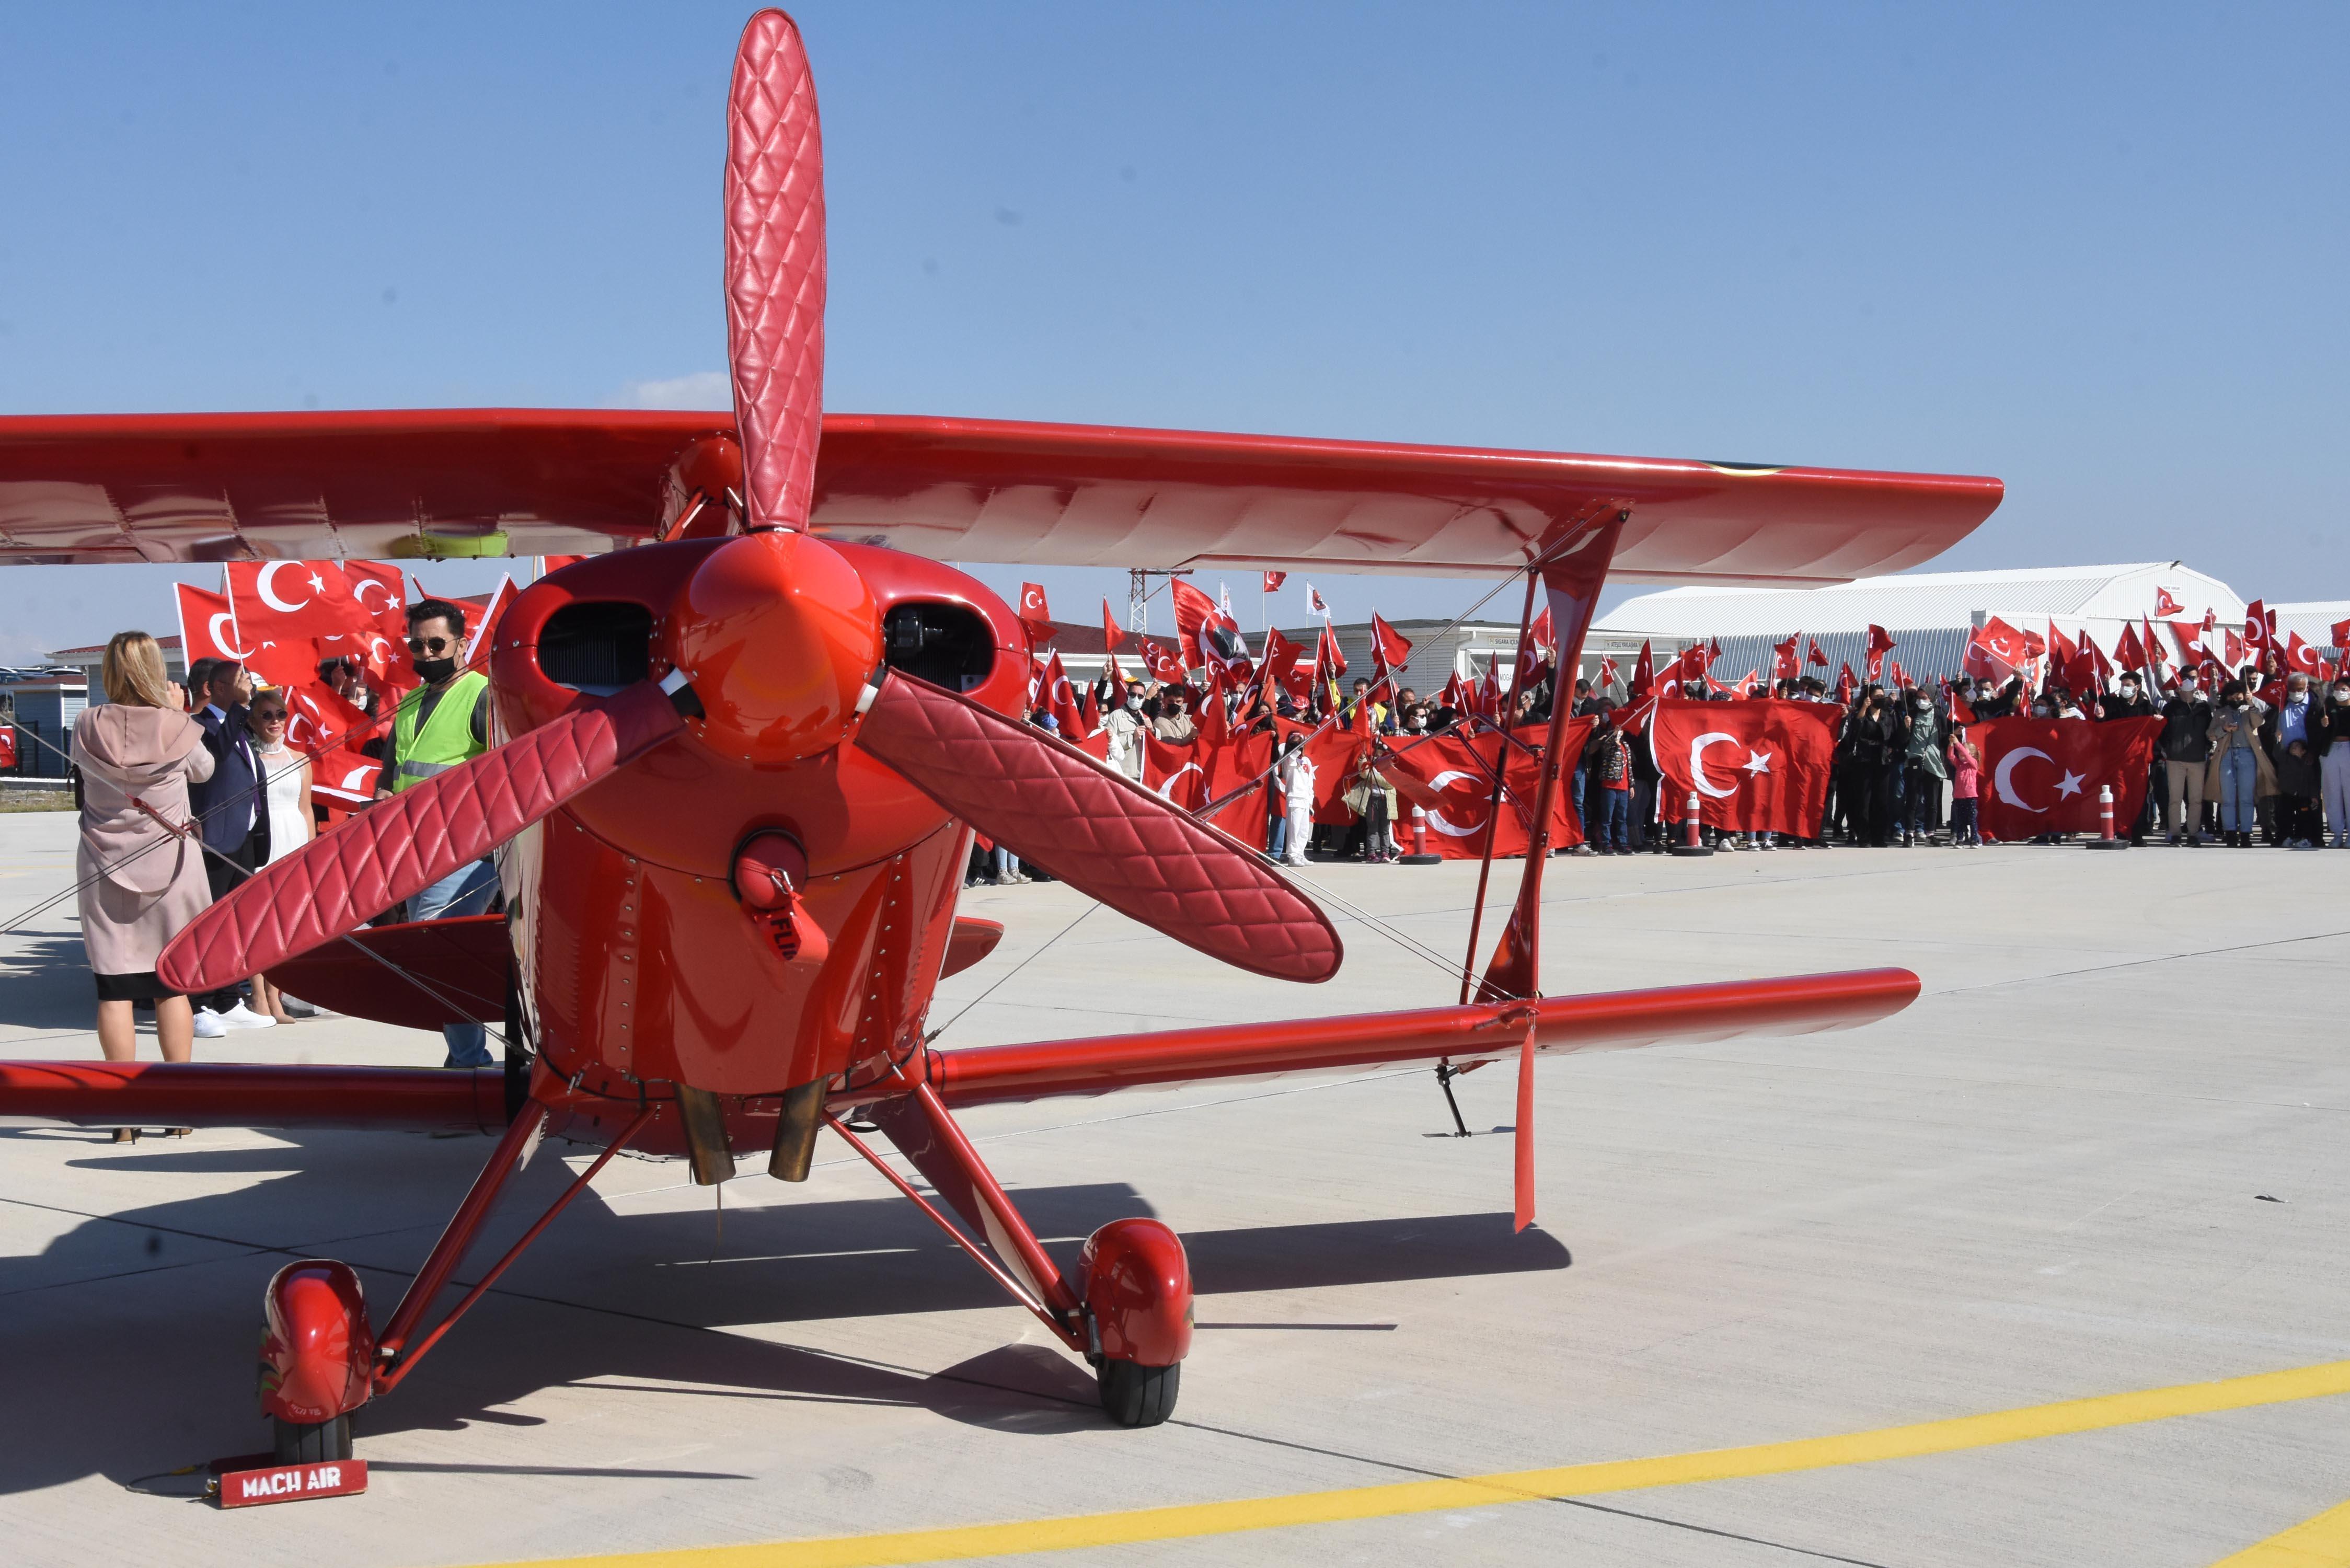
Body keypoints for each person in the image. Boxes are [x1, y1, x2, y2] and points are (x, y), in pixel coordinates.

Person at [72, 634, 214, 1121]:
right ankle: (178, 1107)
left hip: (103, 863)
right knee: (170, 985)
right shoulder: (178, 726)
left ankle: (124, 1112)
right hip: (172, 864)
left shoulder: (87, 723)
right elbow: (204, 770)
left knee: (114, 987)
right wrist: (180, 713)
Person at [377, 598, 498, 1066]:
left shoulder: (483, 696)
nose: (425, 653)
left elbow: (503, 778)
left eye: (435, 644)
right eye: (417, 644)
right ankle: (466, 1058)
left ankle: (468, 1062)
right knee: (439, 953)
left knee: (439, 947)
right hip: (412, 848)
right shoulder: (410, 700)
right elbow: (392, 773)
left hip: (463, 853)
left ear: (463, 645)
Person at [184, 657, 274, 1035]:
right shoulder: (196, 726)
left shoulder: (234, 726)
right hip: (214, 841)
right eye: (240, 681)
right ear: (214, 688)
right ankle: (195, 1004)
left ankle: (226, 998)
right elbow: (214, 760)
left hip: (243, 839)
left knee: (232, 926)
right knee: (203, 927)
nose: (248, 686)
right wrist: (240, 705)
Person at [246, 689, 316, 1022]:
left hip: (294, 841)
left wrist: (313, 852)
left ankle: (277, 996)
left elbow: (306, 810)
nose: (275, 721)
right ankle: (259, 996)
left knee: (286, 925)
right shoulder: (248, 758)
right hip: (263, 842)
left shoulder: (300, 759)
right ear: (252, 721)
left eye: (281, 714)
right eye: (267, 715)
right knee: (259, 924)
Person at [2205, 681, 2272, 848]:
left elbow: (2259, 722)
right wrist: (2224, 729)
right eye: (2232, 696)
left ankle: (2246, 834)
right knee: (2228, 798)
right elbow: (2210, 735)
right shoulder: (2220, 712)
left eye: (2239, 695)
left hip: (2247, 754)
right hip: (2226, 755)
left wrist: (2251, 702)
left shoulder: (2249, 711)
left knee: (2246, 797)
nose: (2235, 698)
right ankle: (2230, 833)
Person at [2263, 674, 2322, 848]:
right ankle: (2284, 835)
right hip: (2286, 758)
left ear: (2306, 688)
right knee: (2286, 799)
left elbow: (2320, 733)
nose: (2296, 693)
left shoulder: (2315, 706)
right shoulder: (2280, 704)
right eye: (2292, 689)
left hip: (2307, 758)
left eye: (2299, 689)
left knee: (2309, 799)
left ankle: (2313, 836)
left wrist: (2312, 752)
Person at [2099, 673, 2157, 846]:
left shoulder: (2146, 707)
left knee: (2139, 797)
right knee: (2121, 795)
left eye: (2128, 684)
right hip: (2118, 759)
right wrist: (2100, 717)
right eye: (2123, 684)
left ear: (2137, 687)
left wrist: (2157, 720)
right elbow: (2103, 726)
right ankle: (2122, 830)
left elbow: (2155, 728)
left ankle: (2138, 832)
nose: (2124, 688)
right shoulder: (2114, 706)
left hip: (2138, 760)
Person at [2159, 674, 2212, 844]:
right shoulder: (2170, 708)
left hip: (2197, 759)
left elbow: (2209, 732)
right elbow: (2162, 731)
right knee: (2175, 798)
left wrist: (2208, 749)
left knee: (2196, 799)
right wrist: (2165, 750)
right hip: (2175, 759)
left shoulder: (2204, 708)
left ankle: (2193, 833)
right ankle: (2175, 833)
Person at [1894, 686, 1946, 846]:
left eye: (1925, 698)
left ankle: (1930, 833)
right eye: (1919, 698)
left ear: (1932, 698)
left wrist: (1953, 737)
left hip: (1933, 761)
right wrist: (1906, 727)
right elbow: (1902, 740)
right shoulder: (1912, 713)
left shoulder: (1938, 714)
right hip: (1914, 760)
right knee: (1912, 800)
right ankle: (1909, 833)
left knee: (1932, 801)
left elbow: (1944, 737)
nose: (1921, 701)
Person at [2314, 676, 2350, 848]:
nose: (2341, 692)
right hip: (2331, 752)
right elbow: (2318, 735)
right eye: (2338, 689)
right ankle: (2337, 834)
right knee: (2331, 793)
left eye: (2345, 689)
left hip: (2348, 751)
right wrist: (2323, 725)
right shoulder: (2328, 708)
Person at [1275, 734, 1315, 866]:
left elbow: (1310, 783)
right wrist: (1295, 746)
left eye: (1300, 743)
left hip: (1305, 798)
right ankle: (1292, 856)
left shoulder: (1307, 761)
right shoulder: (1288, 759)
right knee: (1294, 829)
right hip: (1294, 797)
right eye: (1295, 743)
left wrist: (1311, 801)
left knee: (1303, 830)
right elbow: (1291, 755)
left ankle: (1300, 854)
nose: (1299, 745)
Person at [1102, 681, 1147, 782]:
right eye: (1133, 694)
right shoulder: (1116, 716)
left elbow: (1157, 741)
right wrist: (1132, 737)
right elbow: (1109, 745)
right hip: (1124, 772)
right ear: (1127, 696)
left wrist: (1152, 730)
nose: (1136, 698)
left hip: (1144, 772)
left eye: (1140, 696)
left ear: (1144, 699)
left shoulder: (1145, 717)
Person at [1946, 724, 1982, 846]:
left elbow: (1965, 755)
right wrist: (1952, 743)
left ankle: (1974, 839)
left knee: (1972, 819)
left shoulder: (1973, 763)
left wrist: (1958, 743)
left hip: (1970, 796)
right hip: (1959, 796)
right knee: (1961, 819)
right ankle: (1960, 839)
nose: (1961, 753)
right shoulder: (1960, 765)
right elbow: (1951, 757)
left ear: (1971, 754)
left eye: (1965, 750)